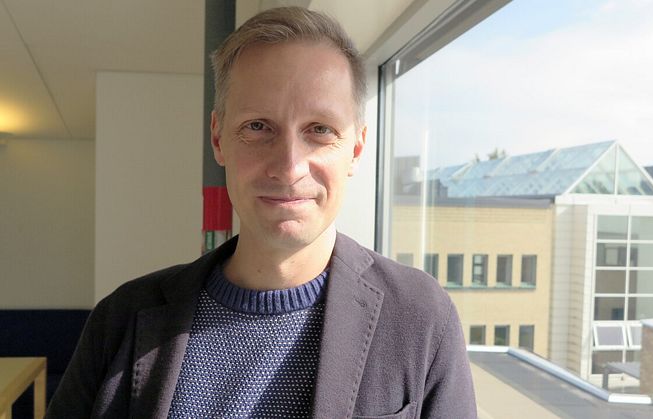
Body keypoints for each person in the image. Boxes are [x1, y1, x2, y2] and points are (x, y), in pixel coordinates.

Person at [48, 7, 476, 418]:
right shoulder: (121, 317)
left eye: (320, 130)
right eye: (258, 127)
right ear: (218, 139)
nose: (289, 167)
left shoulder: (419, 317)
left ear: (356, 149)